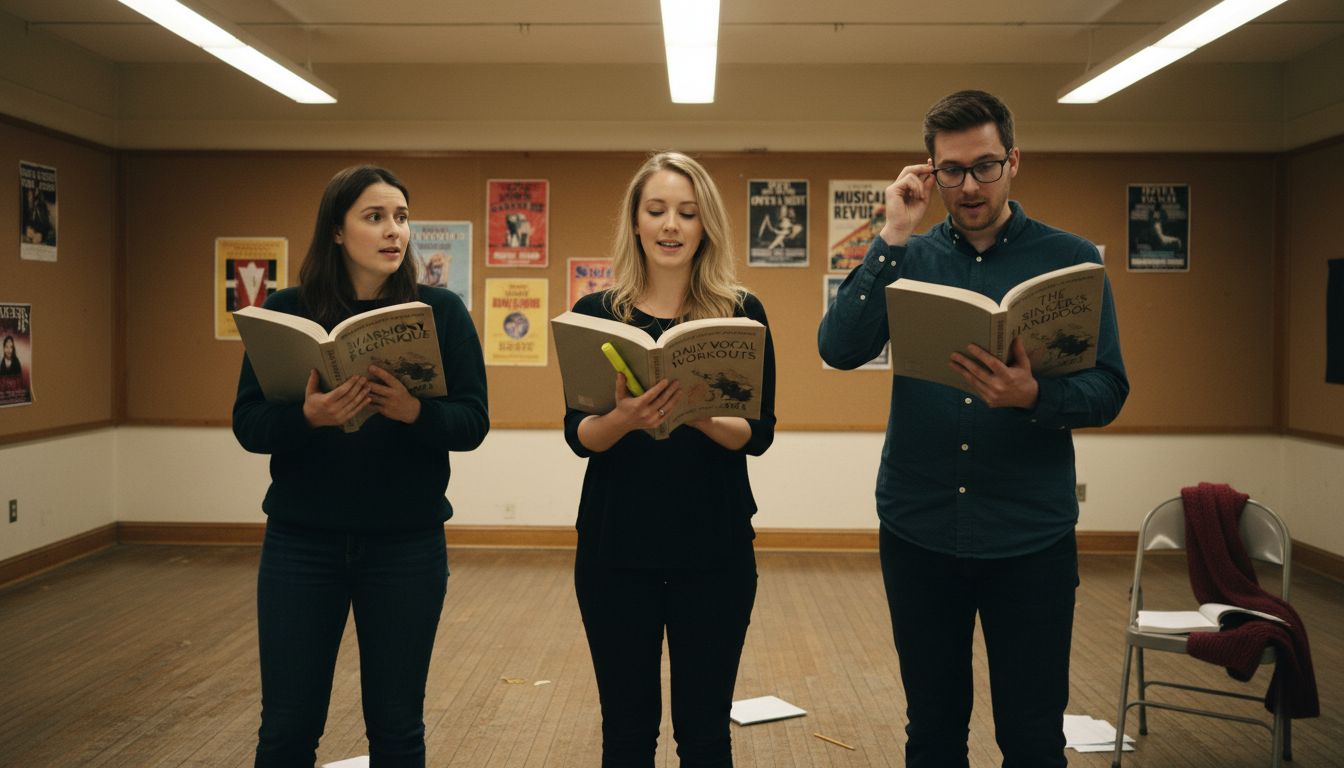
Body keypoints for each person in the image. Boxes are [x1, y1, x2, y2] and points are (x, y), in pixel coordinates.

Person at [818, 90, 1128, 768]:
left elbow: (1109, 389)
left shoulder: (1070, 260)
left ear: (1013, 161)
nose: (969, 185)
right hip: (919, 526)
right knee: (931, 729)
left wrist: (1034, 394)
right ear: (930, 173)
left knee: (1032, 735)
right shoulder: (910, 257)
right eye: (951, 170)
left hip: (1030, 536)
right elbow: (838, 349)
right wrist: (892, 234)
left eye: (984, 166)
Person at [233, 165, 489, 767]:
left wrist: (412, 412)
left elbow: (472, 422)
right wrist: (309, 418)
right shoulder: (287, 311)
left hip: (406, 544)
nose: (393, 230)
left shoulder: (441, 312)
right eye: (375, 217)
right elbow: (249, 424)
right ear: (338, 232)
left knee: (397, 727)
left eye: (401, 217)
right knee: (288, 728)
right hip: (301, 543)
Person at [564, 151, 776, 767]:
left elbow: (757, 433)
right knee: (627, 734)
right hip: (613, 546)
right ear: (635, 222)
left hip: (714, 549)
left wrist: (695, 410)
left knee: (705, 734)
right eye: (656, 210)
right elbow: (580, 435)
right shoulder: (595, 314)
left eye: (687, 212)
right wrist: (628, 416)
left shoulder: (740, 312)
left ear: (705, 224)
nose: (671, 225)